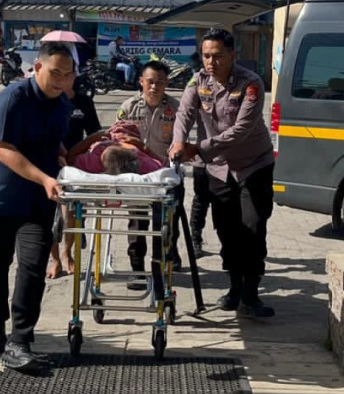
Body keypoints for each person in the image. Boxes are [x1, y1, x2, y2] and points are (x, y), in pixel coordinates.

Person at [0, 43, 76, 372]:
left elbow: (52, 139)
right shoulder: (11, 98)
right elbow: (3, 149)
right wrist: (45, 178)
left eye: (68, 74)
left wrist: (61, 155)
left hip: (36, 202)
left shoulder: (62, 105)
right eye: (55, 73)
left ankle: (20, 340)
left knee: (32, 268)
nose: (60, 80)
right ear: (37, 69)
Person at [169, 29, 276, 318]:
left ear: (232, 55)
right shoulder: (197, 81)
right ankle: (234, 288)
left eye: (217, 56)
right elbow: (184, 114)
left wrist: (198, 149)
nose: (211, 62)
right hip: (217, 169)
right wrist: (179, 141)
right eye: (206, 56)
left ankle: (252, 294)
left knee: (253, 229)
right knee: (228, 231)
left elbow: (241, 130)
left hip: (253, 165)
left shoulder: (251, 83)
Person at [116, 60, 184, 286]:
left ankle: (166, 258)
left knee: (167, 222)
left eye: (160, 83)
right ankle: (137, 268)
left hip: (166, 174)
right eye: (150, 82)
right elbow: (116, 138)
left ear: (167, 84)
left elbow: (182, 138)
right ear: (141, 82)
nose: (155, 87)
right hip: (137, 175)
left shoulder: (176, 108)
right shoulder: (128, 107)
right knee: (137, 222)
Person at [47, 75, 102, 279]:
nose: (62, 78)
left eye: (67, 73)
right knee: (49, 217)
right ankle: (55, 260)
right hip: (48, 163)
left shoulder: (83, 102)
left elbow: (95, 134)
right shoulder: (47, 101)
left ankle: (67, 253)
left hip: (75, 165)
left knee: (72, 214)